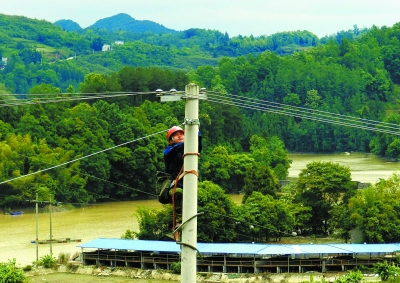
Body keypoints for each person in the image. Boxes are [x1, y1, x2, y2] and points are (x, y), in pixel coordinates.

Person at [159, 126, 202, 207]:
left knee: (192, 202)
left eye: (181, 134)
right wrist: (189, 140)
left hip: (188, 183)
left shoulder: (188, 149)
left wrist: (196, 132)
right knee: (178, 193)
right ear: (171, 140)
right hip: (174, 185)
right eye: (176, 135)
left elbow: (198, 146)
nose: (179, 136)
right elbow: (176, 149)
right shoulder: (169, 151)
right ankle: (180, 214)